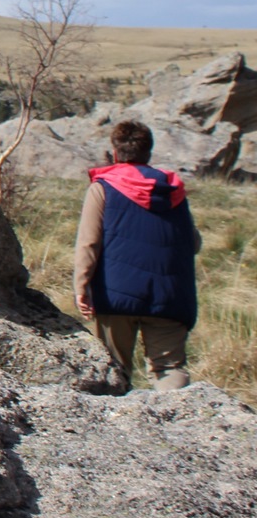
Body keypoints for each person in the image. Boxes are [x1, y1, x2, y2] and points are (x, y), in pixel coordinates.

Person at [74, 119, 202, 391]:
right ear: (149, 152)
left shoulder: (103, 188)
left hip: (115, 294)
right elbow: (194, 243)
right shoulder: (173, 191)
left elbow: (89, 242)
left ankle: (117, 428)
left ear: (116, 152)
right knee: (169, 368)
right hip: (170, 295)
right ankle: (180, 423)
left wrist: (81, 287)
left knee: (113, 369)